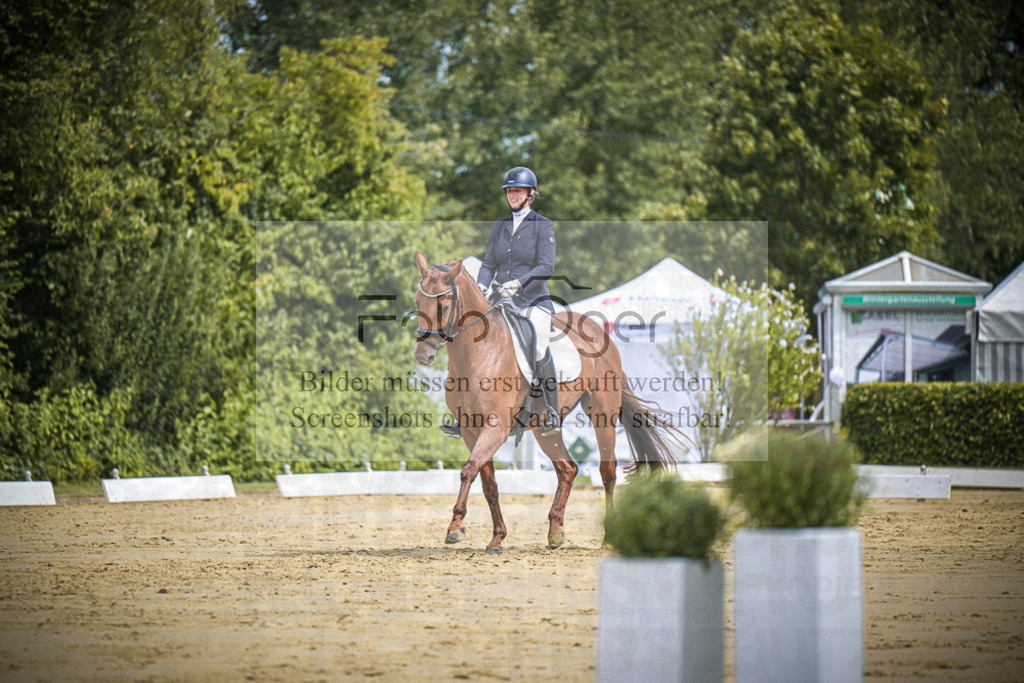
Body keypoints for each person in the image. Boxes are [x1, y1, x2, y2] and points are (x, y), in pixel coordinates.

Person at [441, 166, 561, 437]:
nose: (512, 195)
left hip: (533, 300)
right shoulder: (500, 226)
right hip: (500, 297)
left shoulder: (543, 225)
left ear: (530, 194)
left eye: (517, 191)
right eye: (509, 191)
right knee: (467, 334)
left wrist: (518, 283)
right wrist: (483, 285)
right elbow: (490, 263)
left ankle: (551, 410)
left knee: (539, 343)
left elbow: (546, 266)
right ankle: (463, 412)